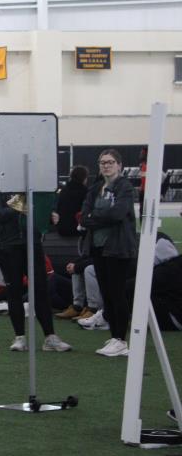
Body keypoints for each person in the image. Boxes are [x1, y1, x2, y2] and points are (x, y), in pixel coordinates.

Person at [0, 185, 72, 352]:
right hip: (7, 246)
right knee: (14, 291)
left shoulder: (35, 186)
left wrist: (50, 216)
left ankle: (50, 337)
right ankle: (20, 337)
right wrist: (17, 209)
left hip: (32, 244)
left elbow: (42, 214)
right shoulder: (2, 186)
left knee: (41, 290)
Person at [81, 149, 138, 357]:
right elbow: (83, 218)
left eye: (110, 162)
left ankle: (121, 340)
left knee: (117, 294)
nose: (106, 165)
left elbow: (118, 214)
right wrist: (97, 217)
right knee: (106, 294)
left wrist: (94, 216)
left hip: (118, 248)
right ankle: (114, 336)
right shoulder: (95, 188)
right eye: (102, 162)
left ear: (119, 165)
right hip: (98, 248)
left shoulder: (125, 187)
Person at [52, 165, 89, 237]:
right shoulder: (85, 192)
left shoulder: (64, 190)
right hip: (77, 229)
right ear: (83, 178)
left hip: (62, 229)